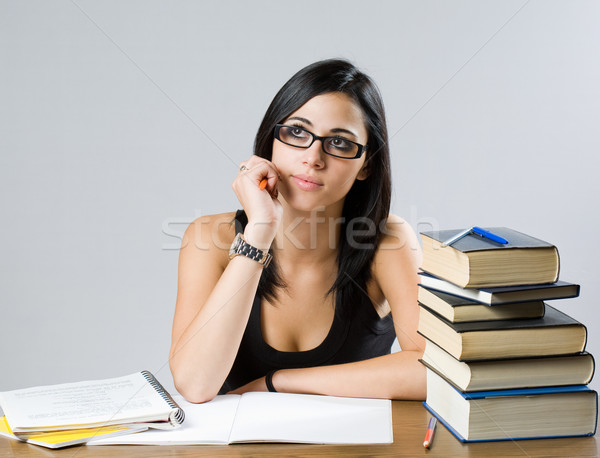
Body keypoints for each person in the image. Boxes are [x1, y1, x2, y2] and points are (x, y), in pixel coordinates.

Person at [169, 59, 426, 403]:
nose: (313, 157)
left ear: (366, 164)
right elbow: (194, 384)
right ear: (271, 139)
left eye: (339, 143)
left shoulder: (389, 240)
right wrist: (259, 231)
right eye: (297, 132)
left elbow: (434, 371)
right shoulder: (207, 238)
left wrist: (278, 382)